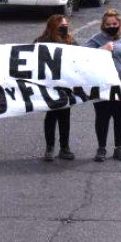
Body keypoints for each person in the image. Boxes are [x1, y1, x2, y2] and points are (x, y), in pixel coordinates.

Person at [85, 9, 121, 162]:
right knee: (102, 117)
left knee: (120, 117)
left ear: (119, 24)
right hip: (103, 86)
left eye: (114, 24)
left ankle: (119, 147)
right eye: (108, 24)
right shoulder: (97, 39)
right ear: (103, 25)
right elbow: (82, 56)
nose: (111, 26)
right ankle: (101, 148)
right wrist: (101, 50)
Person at [34, 15, 77, 161]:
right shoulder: (41, 42)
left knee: (65, 116)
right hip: (49, 86)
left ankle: (64, 148)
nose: (64, 28)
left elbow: (81, 59)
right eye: (61, 27)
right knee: (51, 116)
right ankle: (50, 147)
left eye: (66, 26)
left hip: (65, 86)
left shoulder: (71, 41)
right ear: (52, 27)